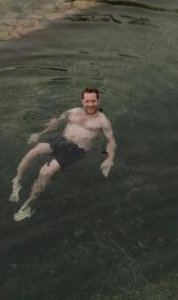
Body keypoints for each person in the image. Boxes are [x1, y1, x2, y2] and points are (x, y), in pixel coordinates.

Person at [10, 87, 116, 221]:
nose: (90, 104)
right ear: (82, 101)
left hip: (77, 149)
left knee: (46, 173)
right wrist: (40, 134)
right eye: (87, 101)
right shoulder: (73, 112)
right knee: (32, 152)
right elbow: (57, 120)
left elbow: (111, 141)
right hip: (61, 140)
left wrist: (109, 158)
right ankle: (17, 181)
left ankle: (28, 204)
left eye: (93, 101)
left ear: (98, 101)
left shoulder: (103, 121)